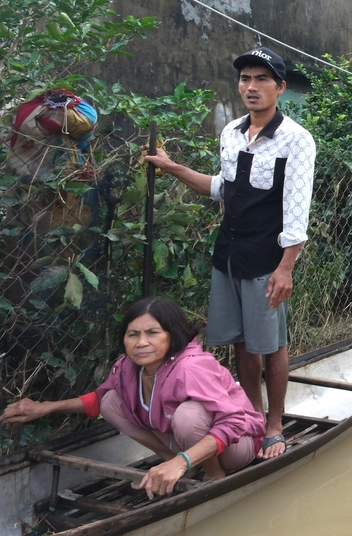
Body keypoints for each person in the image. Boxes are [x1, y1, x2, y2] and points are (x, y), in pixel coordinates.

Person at [144, 46, 316, 459]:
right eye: (245, 79)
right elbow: (222, 187)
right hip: (229, 256)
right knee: (240, 341)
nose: (251, 87)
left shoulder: (296, 139)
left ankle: (274, 424)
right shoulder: (232, 132)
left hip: (266, 261)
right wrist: (173, 168)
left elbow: (296, 211)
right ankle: (252, 418)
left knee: (271, 344)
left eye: (261, 79)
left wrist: (285, 268)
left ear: (280, 87)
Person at [0, 298, 264, 498]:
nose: (141, 343)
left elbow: (232, 422)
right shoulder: (127, 367)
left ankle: (212, 474)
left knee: (189, 415)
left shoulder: (190, 367)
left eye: (153, 333)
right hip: (187, 443)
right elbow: (97, 400)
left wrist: (181, 461)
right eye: (133, 334)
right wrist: (45, 407)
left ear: (173, 335)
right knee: (110, 401)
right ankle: (177, 462)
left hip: (237, 447)